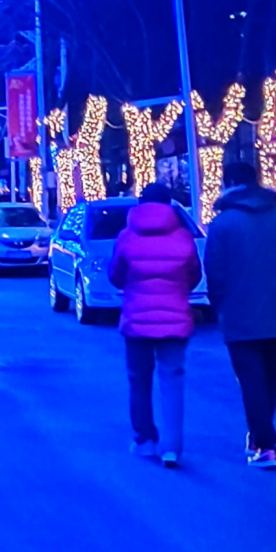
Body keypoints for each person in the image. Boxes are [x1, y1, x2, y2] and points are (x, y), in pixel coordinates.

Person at [203, 158, 276, 469]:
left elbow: (215, 272)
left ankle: (265, 444)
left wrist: (219, 305)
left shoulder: (222, 224)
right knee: (271, 380)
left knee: (250, 380)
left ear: (228, 182)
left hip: (239, 315)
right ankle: (261, 435)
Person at [109, 182, 202, 468]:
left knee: (139, 379)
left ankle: (145, 439)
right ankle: (172, 448)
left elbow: (116, 275)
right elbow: (194, 275)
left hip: (137, 319)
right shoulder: (184, 237)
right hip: (175, 317)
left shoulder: (126, 237)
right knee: (172, 380)